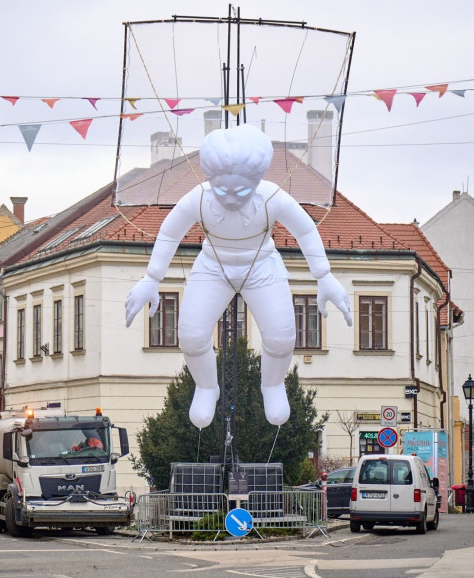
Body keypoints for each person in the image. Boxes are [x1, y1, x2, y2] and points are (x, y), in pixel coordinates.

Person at [126, 123, 352, 428]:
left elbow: (305, 230)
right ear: (210, 179)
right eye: (222, 190)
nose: (231, 198)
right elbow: (169, 232)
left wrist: (323, 276)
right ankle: (207, 386)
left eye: (242, 191)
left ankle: (272, 384)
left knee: (282, 337)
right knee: (191, 336)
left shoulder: (272, 197)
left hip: (262, 266)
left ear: (257, 181)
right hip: (213, 266)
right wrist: (151, 278)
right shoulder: (199, 198)